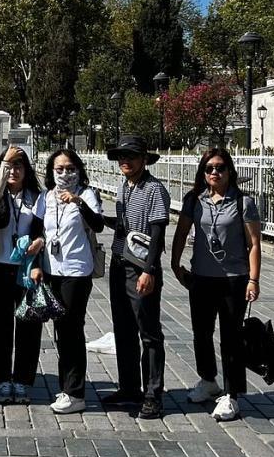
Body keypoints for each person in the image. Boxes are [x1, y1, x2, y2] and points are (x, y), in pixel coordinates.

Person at [170, 147, 262, 422]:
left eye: (220, 167)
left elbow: (254, 244)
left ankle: (232, 394)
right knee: (201, 332)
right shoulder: (195, 200)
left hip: (233, 279)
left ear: (229, 171)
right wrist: (175, 264)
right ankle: (208, 379)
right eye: (209, 168)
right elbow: (182, 231)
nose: (214, 173)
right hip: (201, 277)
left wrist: (254, 280)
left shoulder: (243, 202)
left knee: (231, 337)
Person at [103, 134, 172, 420]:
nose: (125, 161)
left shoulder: (154, 189)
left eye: (131, 156)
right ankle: (129, 386)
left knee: (149, 332)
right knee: (124, 329)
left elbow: (157, 232)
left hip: (141, 267)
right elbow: (123, 226)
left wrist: (149, 270)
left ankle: (153, 393)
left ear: (144, 159)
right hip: (120, 264)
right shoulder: (125, 186)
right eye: (121, 156)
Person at [29, 148, 103, 414]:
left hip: (76, 271)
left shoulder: (87, 194)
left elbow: (98, 225)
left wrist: (78, 203)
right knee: (61, 329)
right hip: (52, 270)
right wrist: (36, 265)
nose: (65, 174)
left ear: (79, 170)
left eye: (70, 168)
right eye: (59, 169)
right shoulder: (45, 198)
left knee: (72, 327)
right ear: (51, 172)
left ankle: (76, 392)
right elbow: (36, 232)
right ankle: (66, 387)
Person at [0, 144, 43, 405]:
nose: (13, 171)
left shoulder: (36, 197)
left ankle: (22, 380)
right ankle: (2, 379)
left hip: (27, 268)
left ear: (26, 169)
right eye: (8, 166)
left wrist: (39, 243)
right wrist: (4, 162)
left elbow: (44, 228)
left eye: (18, 165)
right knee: (0, 324)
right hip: (0, 265)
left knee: (28, 324)